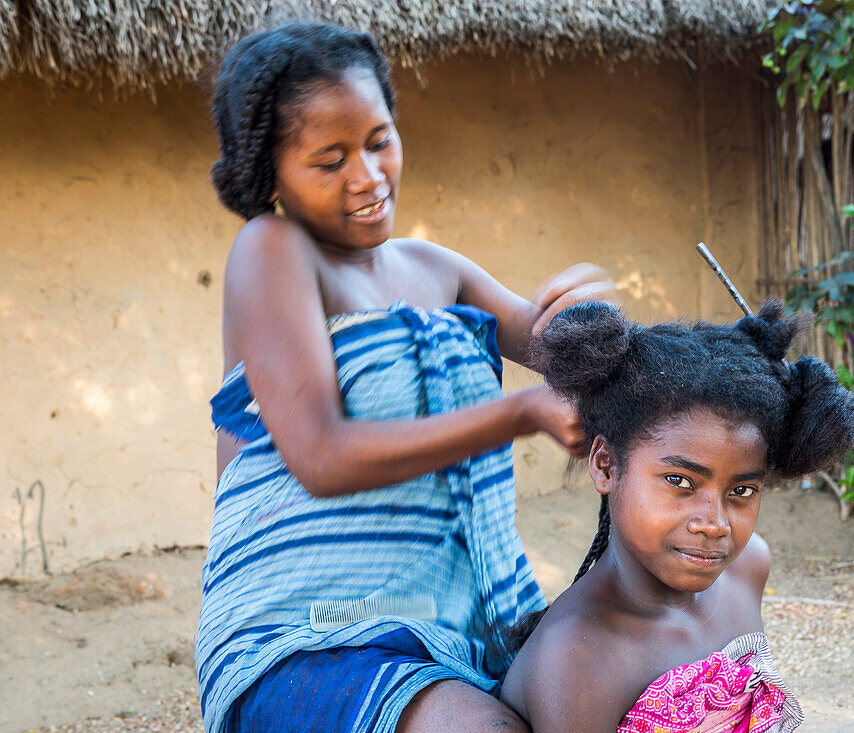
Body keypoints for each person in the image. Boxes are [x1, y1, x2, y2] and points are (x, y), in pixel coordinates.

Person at [195, 22, 613, 733]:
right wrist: (521, 413)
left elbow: (552, 345)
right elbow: (322, 455)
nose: (366, 176)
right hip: (312, 637)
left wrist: (590, 322)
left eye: (379, 141)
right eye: (329, 161)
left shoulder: (435, 268)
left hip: (466, 628)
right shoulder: (272, 252)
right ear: (271, 174)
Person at [500, 300, 854, 732]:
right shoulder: (577, 655)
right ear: (606, 465)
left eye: (742, 491)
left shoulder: (747, 568)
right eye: (680, 482)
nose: (714, 523)